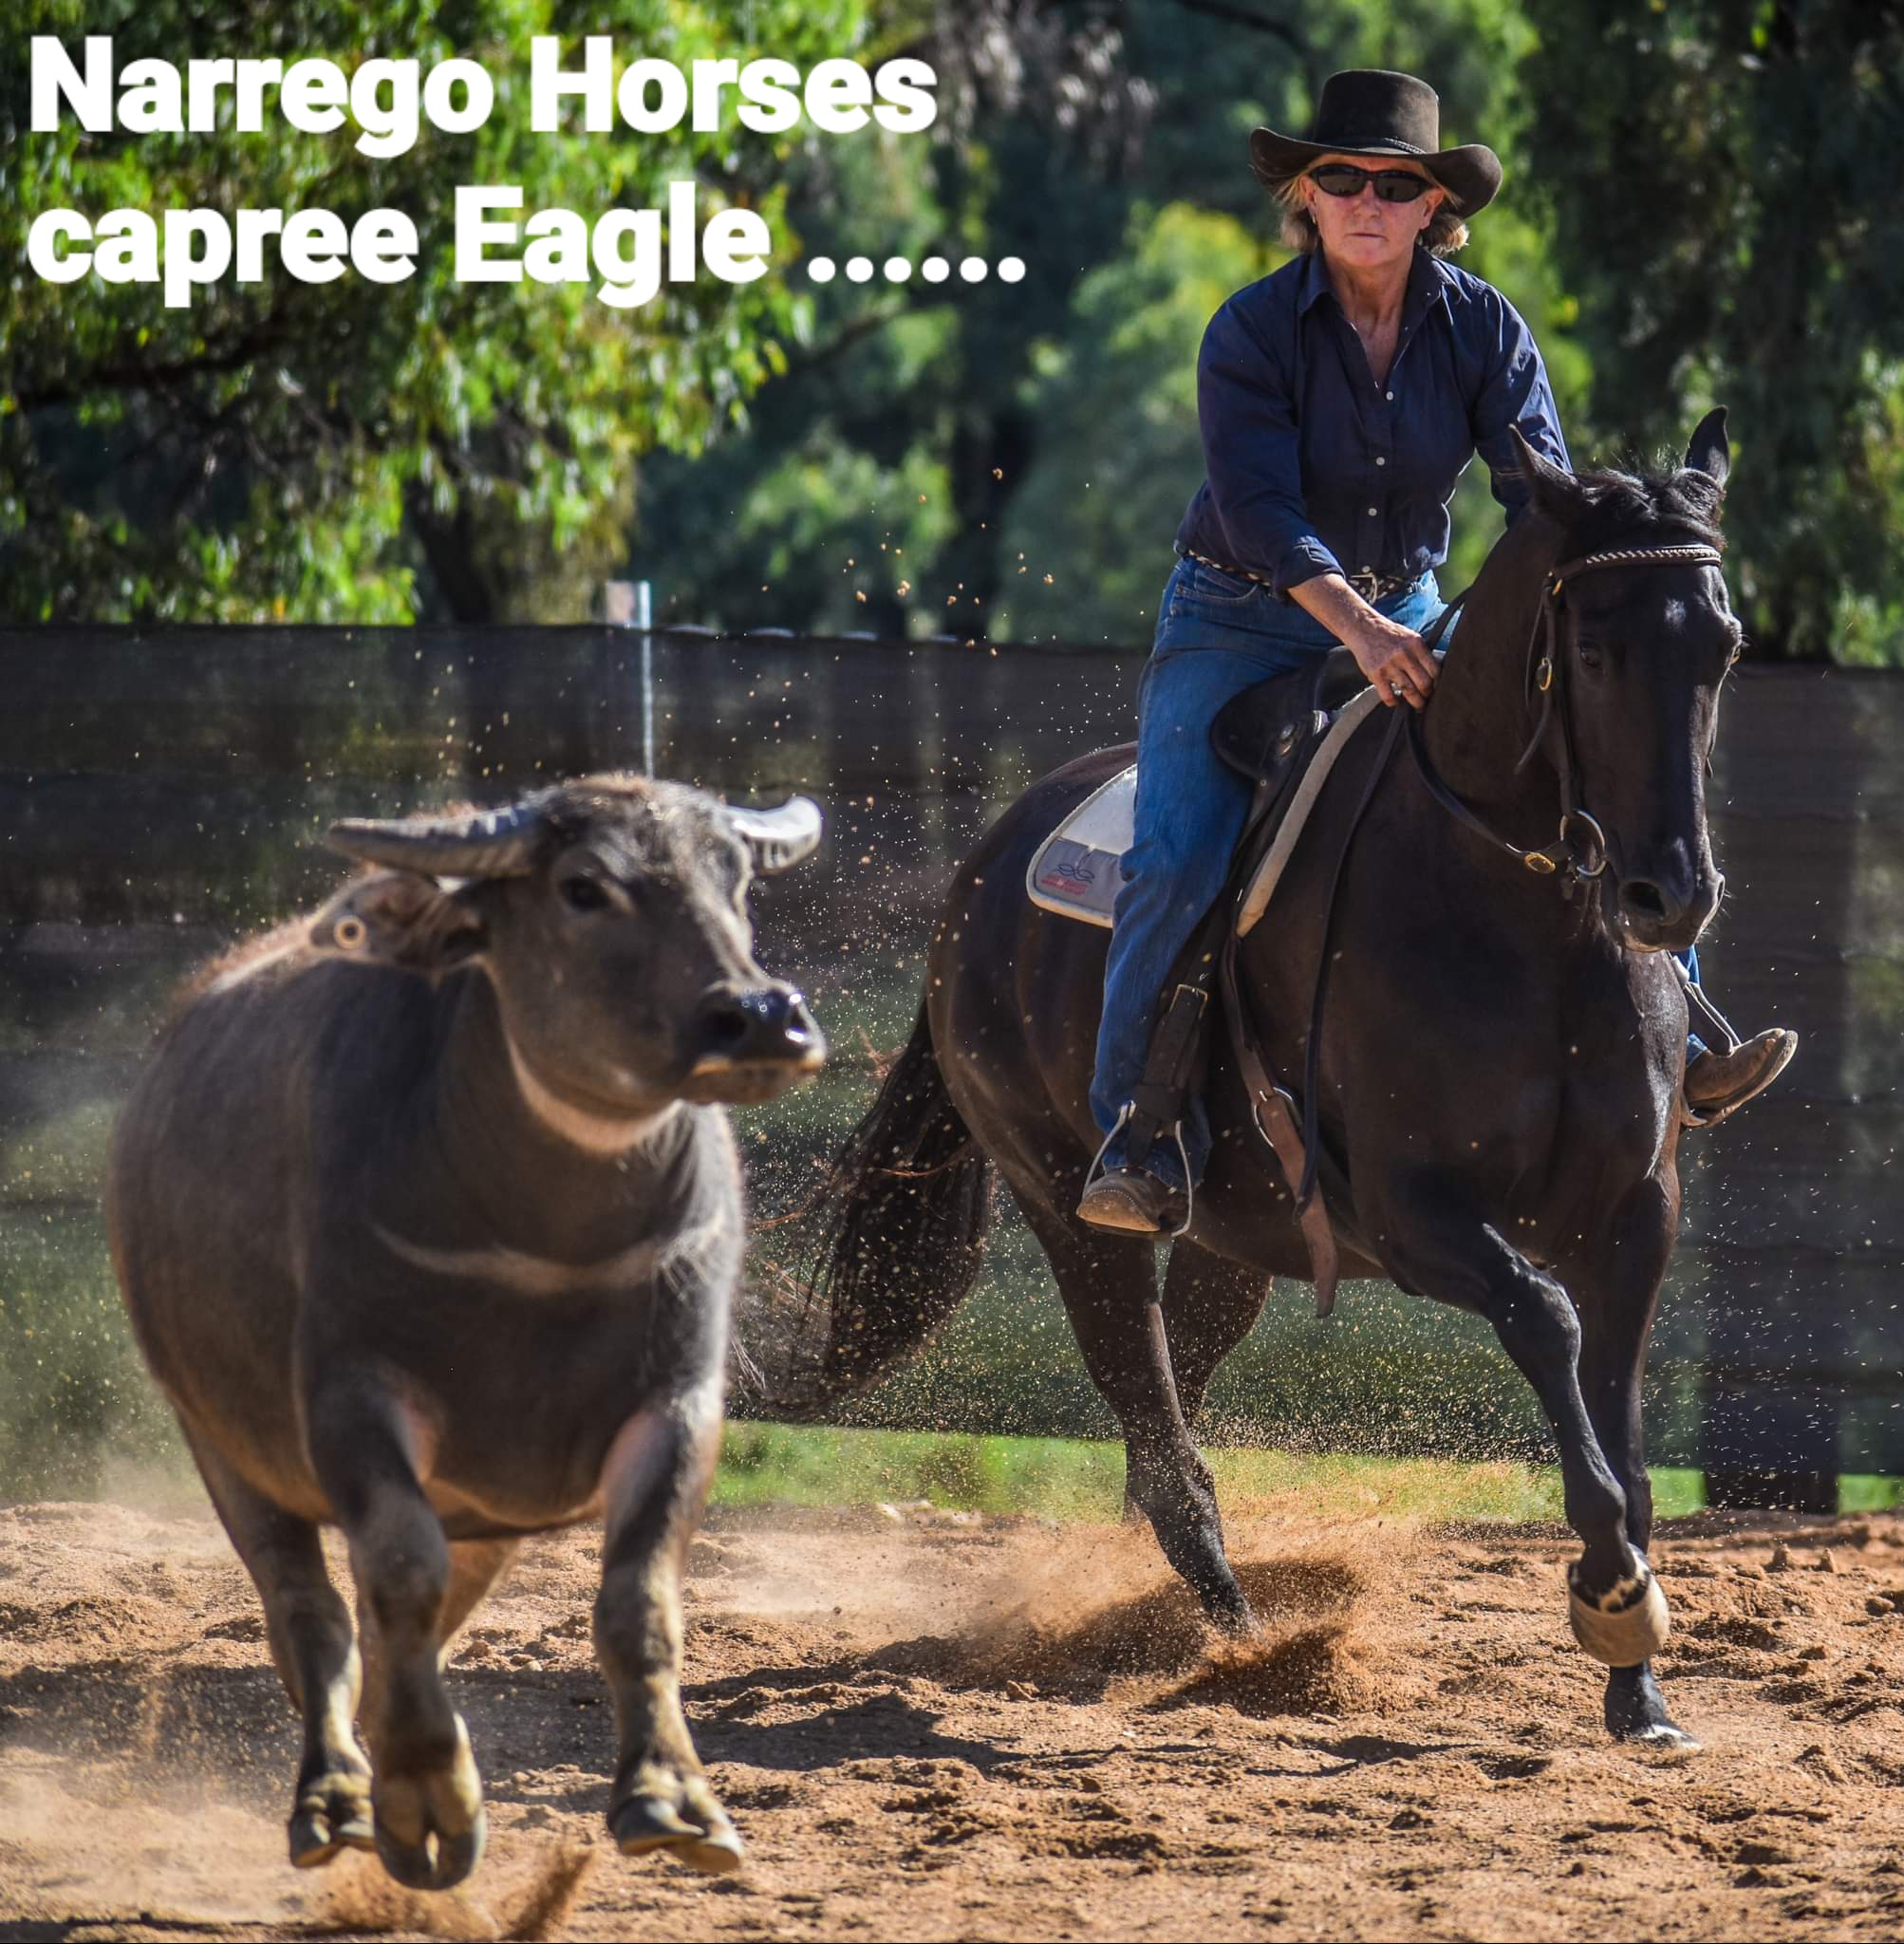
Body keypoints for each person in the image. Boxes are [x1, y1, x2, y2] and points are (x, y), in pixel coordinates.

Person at [1078, 68, 1797, 1236]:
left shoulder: (1483, 328)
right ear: (1306, 196)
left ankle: (1689, 1035)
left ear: (1432, 208)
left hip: (1412, 607)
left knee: (1577, 755)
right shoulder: (1248, 331)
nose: (1365, 200)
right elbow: (1258, 513)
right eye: (1341, 178)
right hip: (1234, 615)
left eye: (1393, 183)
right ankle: (1138, 1131)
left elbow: (1537, 494)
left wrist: (1561, 592)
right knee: (1173, 852)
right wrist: (1365, 633)